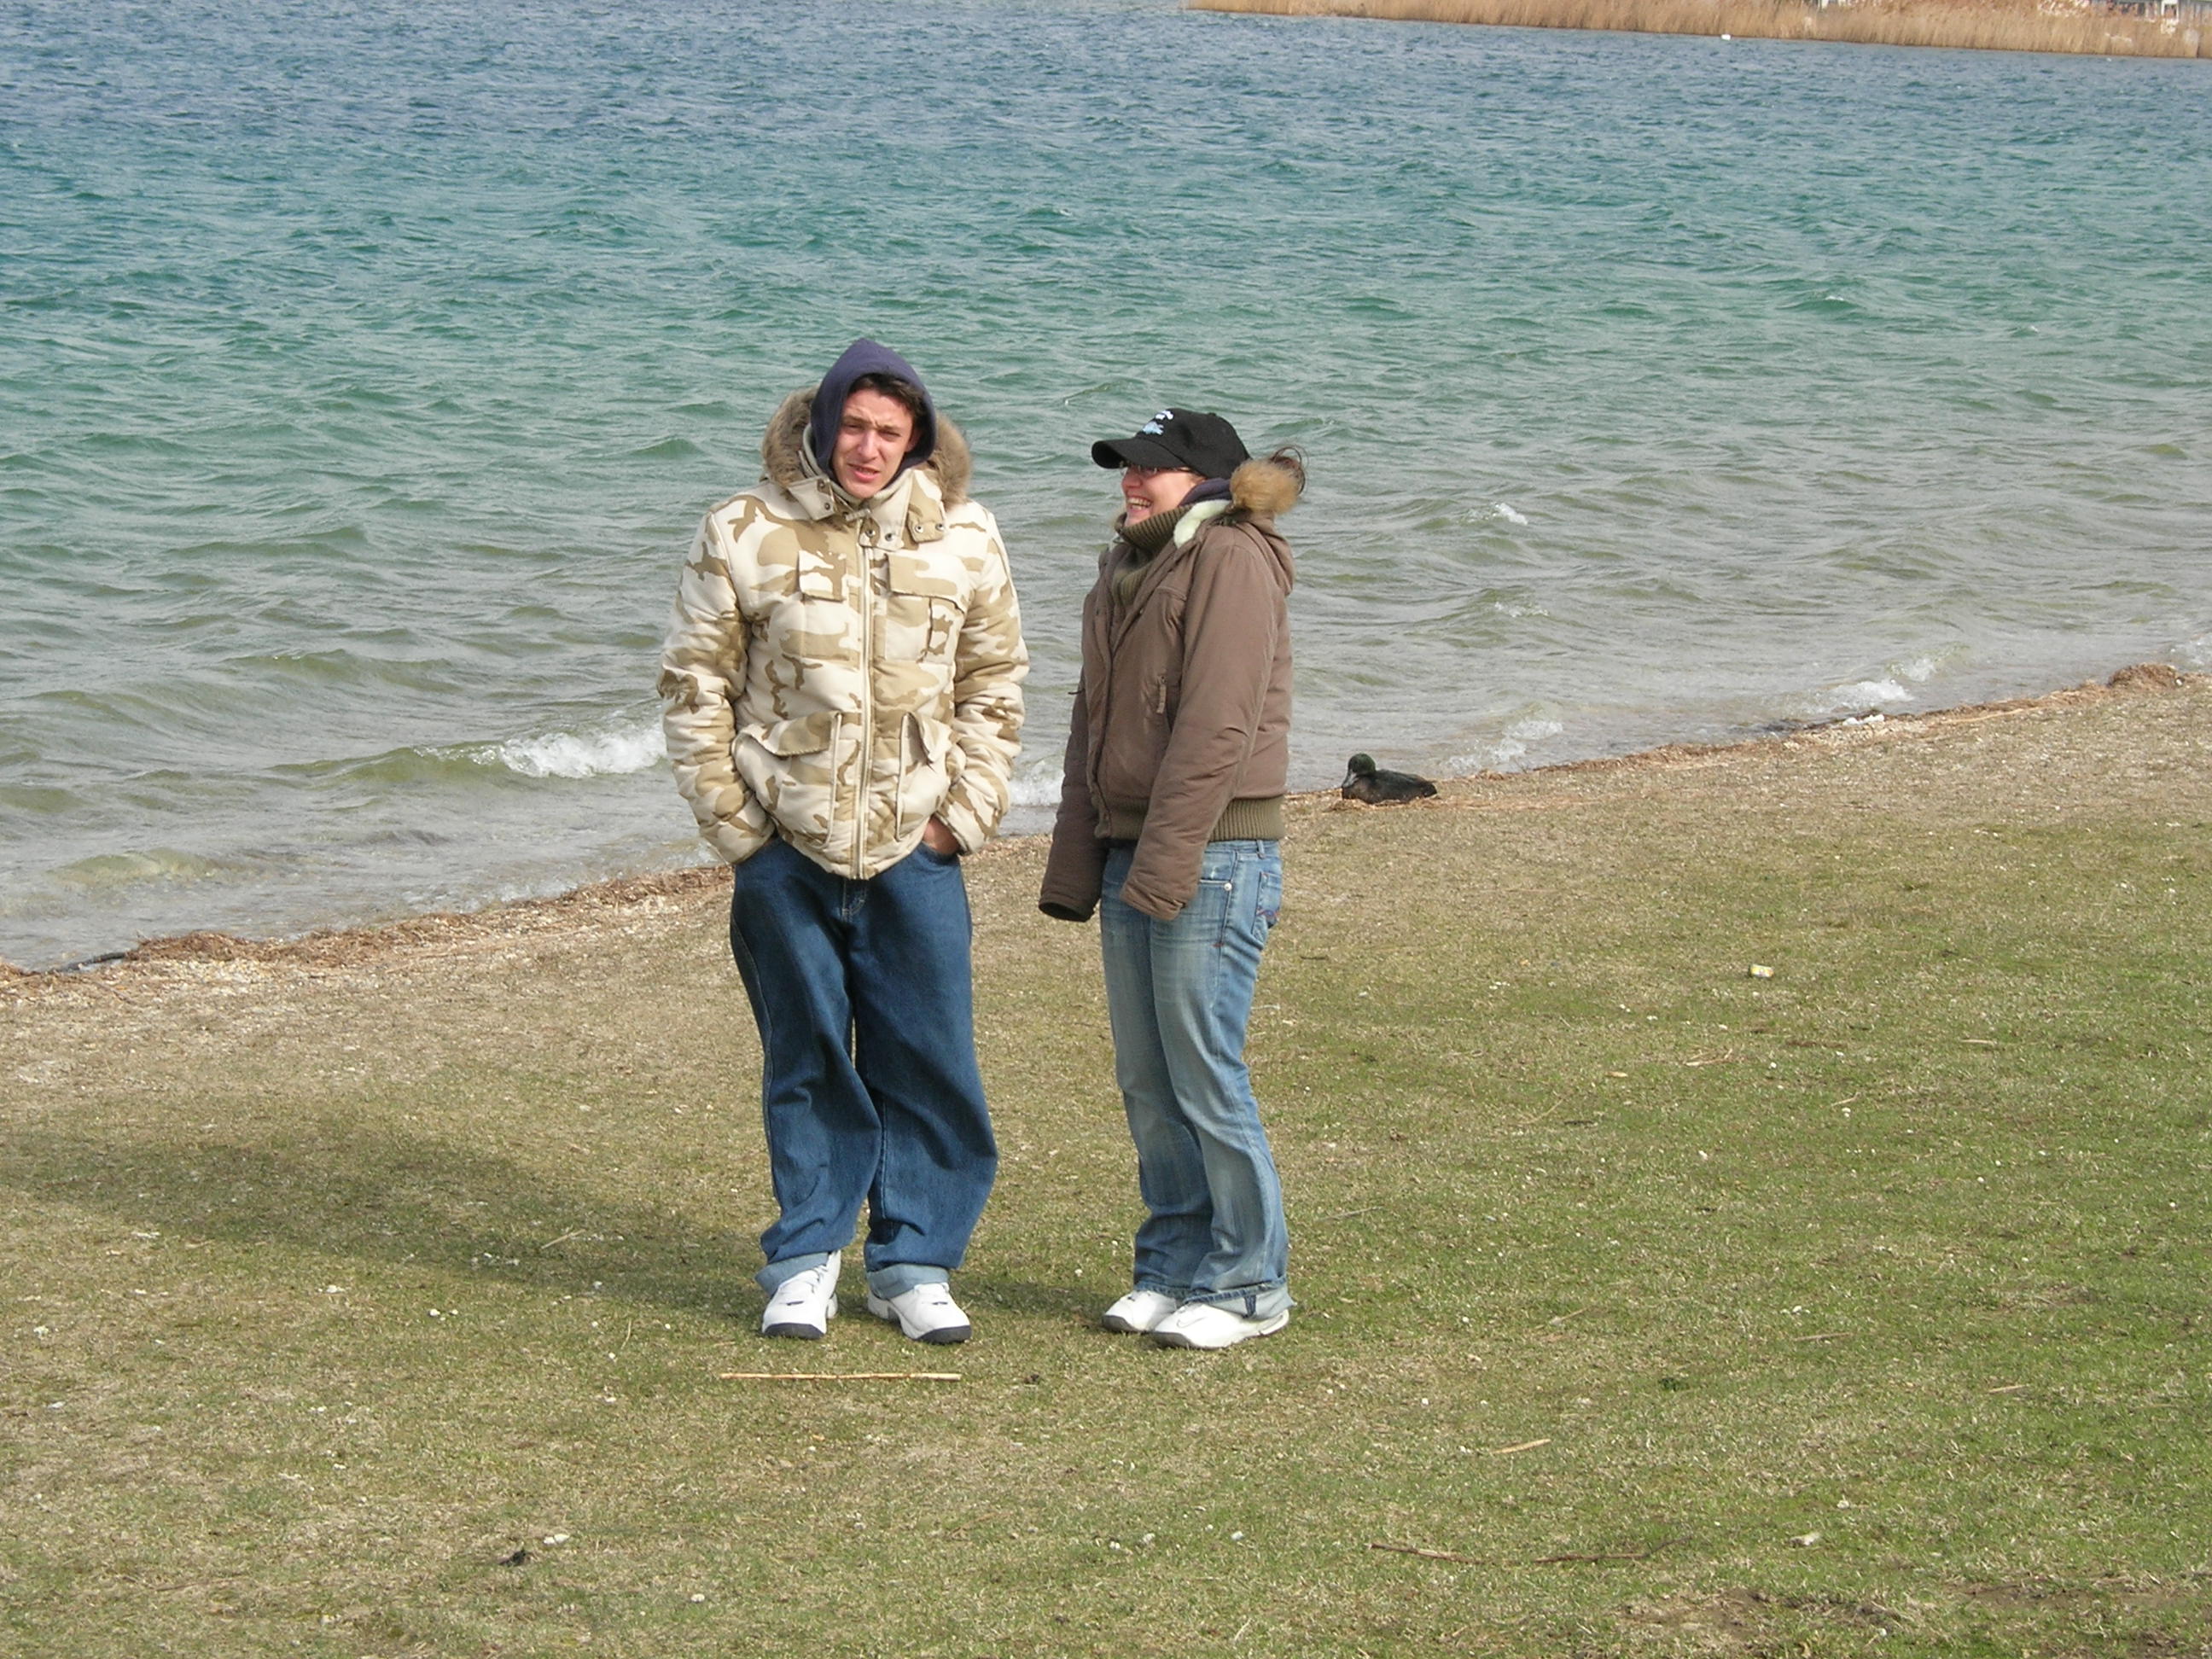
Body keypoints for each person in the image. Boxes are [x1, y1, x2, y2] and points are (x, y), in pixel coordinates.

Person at [659, 340, 1027, 1345]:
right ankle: (807, 1259)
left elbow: (994, 683)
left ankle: (913, 1262)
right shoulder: (743, 528)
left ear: (917, 442)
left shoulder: (966, 535)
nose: (868, 448)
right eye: (853, 427)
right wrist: (741, 833)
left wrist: (961, 819)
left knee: (931, 1058)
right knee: (808, 1056)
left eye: (889, 433)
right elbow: (694, 686)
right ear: (822, 427)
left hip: (917, 847)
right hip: (786, 848)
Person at [1039, 407, 1302, 1350]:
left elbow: (1218, 728)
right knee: (1147, 1082)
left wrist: (1167, 861)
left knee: (1204, 1073)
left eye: (1148, 466)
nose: (1129, 480)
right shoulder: (1125, 566)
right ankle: (1173, 1266)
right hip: (1134, 848)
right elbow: (1092, 721)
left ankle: (1249, 1285)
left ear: (1204, 480)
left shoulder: (1231, 556)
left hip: (1215, 854)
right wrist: (1080, 860)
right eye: (1124, 466)